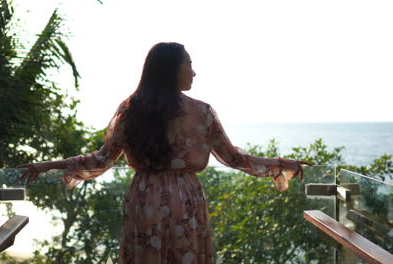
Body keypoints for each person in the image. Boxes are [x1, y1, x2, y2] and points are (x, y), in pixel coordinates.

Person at [17, 42, 312, 264]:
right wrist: (280, 164)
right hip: (186, 199)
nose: (194, 72)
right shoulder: (201, 112)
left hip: (144, 198)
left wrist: (46, 166)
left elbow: (101, 159)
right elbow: (234, 158)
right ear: (173, 70)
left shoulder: (132, 109)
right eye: (189, 65)